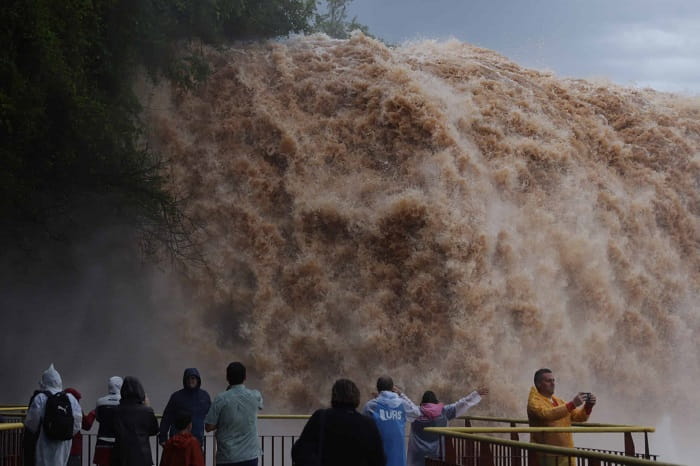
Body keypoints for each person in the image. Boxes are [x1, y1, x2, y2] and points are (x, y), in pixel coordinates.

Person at [292, 379, 385, 466]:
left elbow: (300, 452)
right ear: (357, 397)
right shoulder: (367, 424)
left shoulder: (321, 417)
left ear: (334, 396)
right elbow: (379, 460)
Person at [527, 368, 596, 466]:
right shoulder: (534, 402)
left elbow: (579, 417)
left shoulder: (559, 401)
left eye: (553, 380)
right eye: (548, 381)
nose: (553, 383)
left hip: (566, 453)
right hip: (547, 455)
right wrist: (572, 404)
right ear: (538, 384)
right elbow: (546, 414)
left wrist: (588, 406)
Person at [407, 387, 489, 466]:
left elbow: (406, 404)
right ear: (435, 401)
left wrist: (400, 394)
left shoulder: (415, 412)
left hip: (417, 457)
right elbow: (462, 404)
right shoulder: (444, 411)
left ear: (423, 402)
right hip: (437, 455)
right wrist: (476, 394)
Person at [204, 362, 263, 466]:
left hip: (227, 456)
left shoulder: (221, 399)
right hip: (250, 455)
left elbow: (209, 427)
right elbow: (260, 406)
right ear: (245, 377)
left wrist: (223, 421)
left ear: (227, 378)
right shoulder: (255, 395)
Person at [24, 364, 83, 466]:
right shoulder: (70, 398)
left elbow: (31, 423)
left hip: (44, 442)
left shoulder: (40, 398)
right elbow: (77, 424)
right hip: (64, 444)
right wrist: (64, 432)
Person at [362, 375, 421, 466]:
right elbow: (417, 412)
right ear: (392, 388)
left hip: (379, 455)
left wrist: (378, 399)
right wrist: (401, 394)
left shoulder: (371, 405)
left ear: (378, 388)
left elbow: (364, 428)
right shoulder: (402, 403)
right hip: (398, 456)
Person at [111, 376, 159, 466]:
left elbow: (113, 430)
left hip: (121, 455)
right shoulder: (147, 411)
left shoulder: (116, 410)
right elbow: (154, 430)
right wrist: (147, 406)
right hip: (142, 455)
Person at [159, 368, 211, 447]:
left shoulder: (204, 396)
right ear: (184, 380)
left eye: (193, 378)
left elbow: (211, 414)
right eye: (188, 378)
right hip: (177, 440)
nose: (190, 381)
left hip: (197, 439)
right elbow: (167, 417)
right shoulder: (176, 397)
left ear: (198, 379)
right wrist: (163, 437)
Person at [83, 376, 123, 466]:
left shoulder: (100, 401)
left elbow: (98, 418)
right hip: (119, 442)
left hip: (102, 441)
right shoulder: (124, 402)